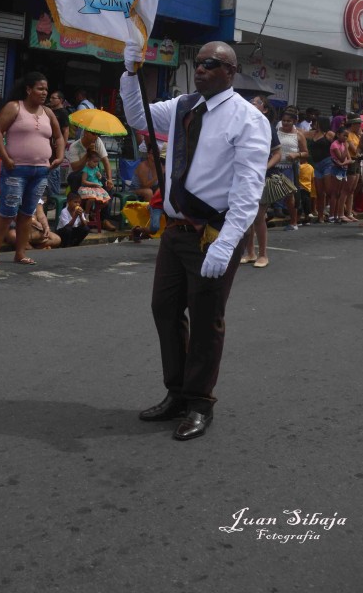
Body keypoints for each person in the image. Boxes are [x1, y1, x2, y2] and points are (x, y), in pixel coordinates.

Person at [121, 38, 270, 442]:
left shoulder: (248, 119)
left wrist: (226, 244)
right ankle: (176, 392)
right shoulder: (184, 106)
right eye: (198, 62)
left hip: (212, 231)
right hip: (175, 229)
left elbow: (248, 189)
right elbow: (137, 115)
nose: (201, 69)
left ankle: (200, 401)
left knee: (206, 321)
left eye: (211, 63)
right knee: (164, 310)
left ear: (230, 73)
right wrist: (131, 73)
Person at [0, 72, 64, 267]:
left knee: (27, 213)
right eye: (40, 88)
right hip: (16, 169)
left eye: (46, 89)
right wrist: (5, 157)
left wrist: (60, 157)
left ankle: (20, 253)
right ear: (28, 89)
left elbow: (59, 136)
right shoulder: (14, 107)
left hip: (41, 171)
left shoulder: (48, 112)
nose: (44, 93)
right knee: (7, 212)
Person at [241, 97, 283, 267]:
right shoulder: (244, 125)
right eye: (251, 101)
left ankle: (263, 254)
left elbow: (278, 153)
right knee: (247, 216)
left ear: (265, 109)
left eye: (257, 102)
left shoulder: (267, 126)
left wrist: (264, 167)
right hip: (246, 175)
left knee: (258, 215)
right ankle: (250, 252)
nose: (252, 104)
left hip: (264, 176)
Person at [67, 130, 116, 231]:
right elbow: (75, 167)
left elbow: (106, 161)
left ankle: (104, 219)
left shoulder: (98, 142)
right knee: (78, 178)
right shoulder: (75, 146)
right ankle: (82, 214)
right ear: (85, 133)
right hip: (77, 175)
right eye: (93, 134)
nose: (96, 136)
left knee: (108, 186)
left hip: (93, 176)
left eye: (97, 134)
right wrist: (87, 154)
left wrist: (109, 179)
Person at [274, 108, 308, 231]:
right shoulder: (276, 132)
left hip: (290, 167)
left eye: (289, 121)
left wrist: (296, 155)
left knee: (290, 196)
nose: (286, 123)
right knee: (270, 194)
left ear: (294, 121)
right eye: (283, 120)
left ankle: (293, 222)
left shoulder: (299, 135)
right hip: (275, 166)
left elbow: (305, 153)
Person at [307, 115, 336, 224]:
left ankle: (333, 214)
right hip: (317, 164)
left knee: (328, 190)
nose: (314, 124)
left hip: (328, 163)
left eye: (316, 122)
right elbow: (300, 132)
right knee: (319, 192)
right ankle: (320, 216)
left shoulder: (328, 134)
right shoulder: (313, 133)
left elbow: (340, 144)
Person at [46, 90, 70, 203]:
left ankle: (54, 200)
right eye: (50, 98)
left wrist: (62, 146)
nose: (50, 100)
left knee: (54, 173)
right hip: (48, 146)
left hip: (56, 148)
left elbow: (66, 130)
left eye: (53, 98)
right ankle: (51, 198)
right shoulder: (49, 111)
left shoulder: (63, 113)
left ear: (60, 100)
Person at [78, 147, 112, 217]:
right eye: (94, 162)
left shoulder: (96, 168)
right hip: (88, 188)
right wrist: (94, 184)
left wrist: (99, 176)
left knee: (106, 201)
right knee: (91, 199)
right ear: (88, 160)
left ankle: (94, 211)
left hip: (97, 188)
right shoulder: (86, 169)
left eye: (97, 162)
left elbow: (98, 178)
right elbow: (84, 181)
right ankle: (87, 213)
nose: (96, 164)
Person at [329, 127, 353, 224]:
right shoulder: (335, 145)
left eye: (347, 136)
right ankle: (332, 215)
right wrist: (346, 148)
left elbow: (349, 159)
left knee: (340, 193)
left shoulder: (343, 144)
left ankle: (337, 215)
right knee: (335, 193)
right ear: (338, 134)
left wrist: (342, 163)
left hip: (342, 169)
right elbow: (342, 158)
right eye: (344, 135)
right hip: (336, 170)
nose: (346, 137)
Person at [343, 116, 363, 221]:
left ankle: (349, 212)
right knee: (347, 189)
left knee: (352, 190)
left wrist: (361, 135)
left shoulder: (357, 135)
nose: (360, 126)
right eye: (358, 124)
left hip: (357, 161)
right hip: (352, 161)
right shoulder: (348, 135)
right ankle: (343, 212)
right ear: (353, 125)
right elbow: (355, 150)